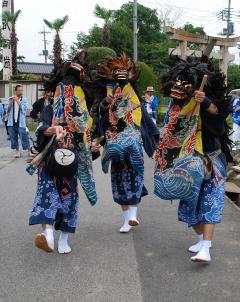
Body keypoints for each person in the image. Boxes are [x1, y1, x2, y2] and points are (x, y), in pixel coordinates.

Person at [154, 58, 231, 263]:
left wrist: (204, 103)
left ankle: (206, 247)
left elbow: (219, 125)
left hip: (212, 161)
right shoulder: (177, 107)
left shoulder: (208, 104)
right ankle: (201, 239)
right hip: (187, 163)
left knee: (210, 202)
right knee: (188, 206)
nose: (179, 88)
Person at [28, 52, 98, 254]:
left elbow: (88, 130)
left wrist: (92, 144)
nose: (70, 87)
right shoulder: (51, 99)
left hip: (73, 156)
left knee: (68, 197)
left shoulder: (85, 102)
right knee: (47, 192)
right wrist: (54, 129)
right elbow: (43, 125)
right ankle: (49, 236)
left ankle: (63, 238)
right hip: (53, 152)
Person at [98, 54, 148, 233]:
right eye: (117, 71)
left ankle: (133, 216)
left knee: (134, 177)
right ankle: (127, 220)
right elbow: (101, 115)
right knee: (119, 182)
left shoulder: (132, 93)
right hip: (114, 144)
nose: (120, 73)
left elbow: (144, 121)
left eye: (123, 70)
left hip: (132, 142)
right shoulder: (110, 92)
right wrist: (106, 103)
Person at [6, 85, 30, 157]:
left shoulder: (24, 99)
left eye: (21, 90)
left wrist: (17, 100)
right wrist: (10, 102)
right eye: (19, 90)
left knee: (24, 136)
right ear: (15, 91)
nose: (20, 92)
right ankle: (17, 151)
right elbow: (7, 110)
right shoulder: (11, 99)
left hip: (21, 122)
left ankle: (29, 150)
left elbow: (24, 109)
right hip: (11, 121)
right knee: (13, 137)